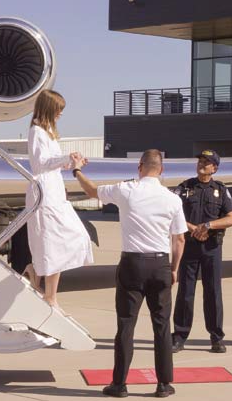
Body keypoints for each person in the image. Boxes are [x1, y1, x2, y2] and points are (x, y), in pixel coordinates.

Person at [73, 149, 186, 399]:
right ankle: (163, 384)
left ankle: (119, 383)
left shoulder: (126, 190)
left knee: (126, 325)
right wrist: (174, 269)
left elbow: (92, 191)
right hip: (160, 264)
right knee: (162, 326)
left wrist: (77, 170)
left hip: (132, 264)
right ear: (161, 170)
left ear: (139, 167)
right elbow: (179, 239)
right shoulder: (172, 199)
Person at [23, 90, 93, 308]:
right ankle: (50, 295)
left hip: (55, 190)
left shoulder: (49, 132)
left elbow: (52, 163)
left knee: (69, 238)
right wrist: (65, 158)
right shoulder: (37, 132)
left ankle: (37, 275)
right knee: (52, 242)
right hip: (44, 192)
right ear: (49, 108)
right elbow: (40, 163)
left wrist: (74, 163)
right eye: (58, 109)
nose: (61, 113)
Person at [171, 150, 232, 355]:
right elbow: (173, 213)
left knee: (213, 292)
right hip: (189, 246)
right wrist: (193, 228)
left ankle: (216, 338)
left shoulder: (220, 190)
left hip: (212, 248)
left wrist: (209, 225)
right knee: (185, 292)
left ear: (214, 168)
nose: (201, 164)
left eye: (206, 162)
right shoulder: (184, 188)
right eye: (200, 161)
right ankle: (179, 336)